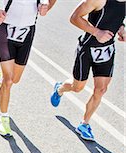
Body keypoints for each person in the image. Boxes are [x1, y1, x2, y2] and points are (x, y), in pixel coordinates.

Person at [50, 0, 125, 141]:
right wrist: (97, 32)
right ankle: (60, 89)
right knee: (77, 87)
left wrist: (121, 28)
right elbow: (75, 17)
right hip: (87, 49)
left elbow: (116, 15)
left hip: (106, 51)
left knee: (101, 89)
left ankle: (84, 124)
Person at [0, 0, 56, 137]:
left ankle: (1, 85)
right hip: (6, 31)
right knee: (8, 81)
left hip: (27, 33)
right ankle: (3, 119)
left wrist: (48, 6)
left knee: (15, 79)